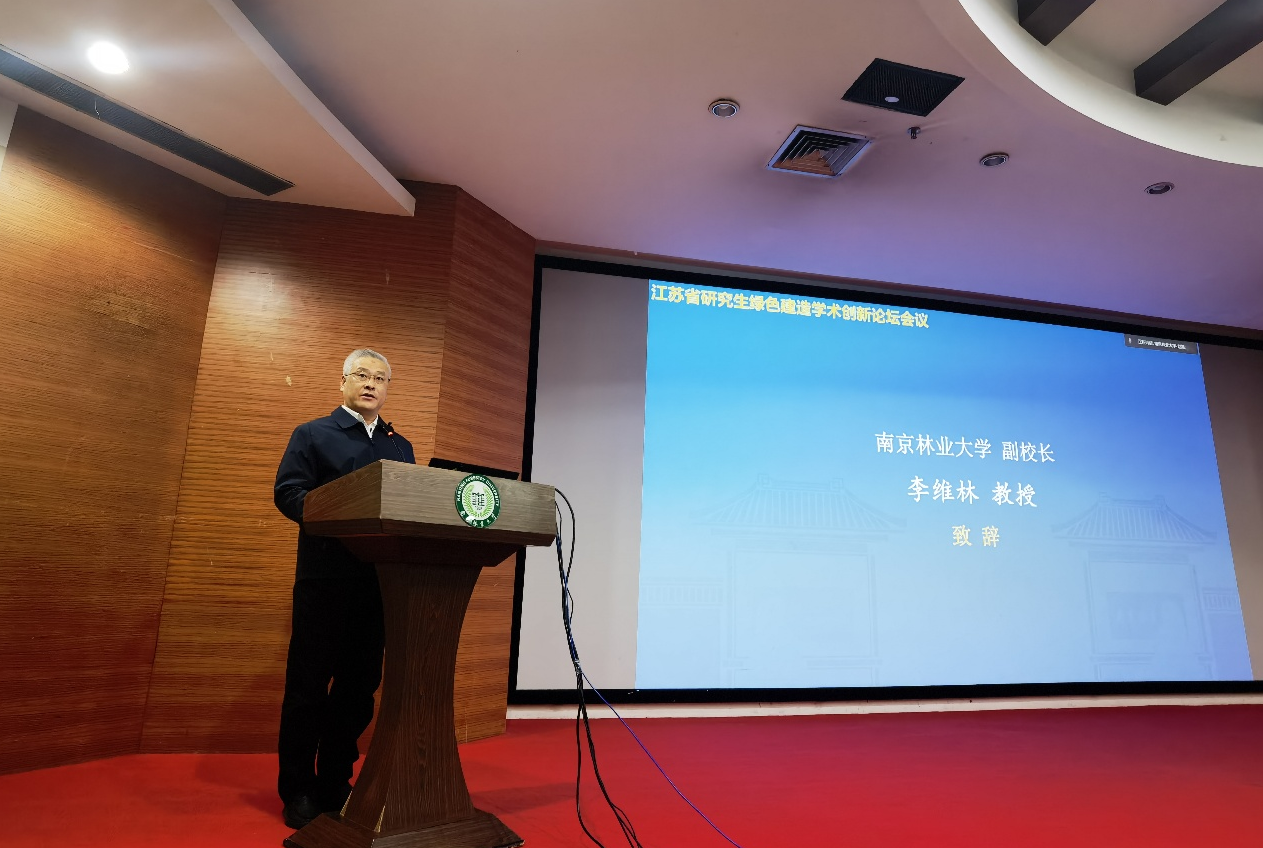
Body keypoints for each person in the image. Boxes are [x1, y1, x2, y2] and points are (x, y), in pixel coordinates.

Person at [273, 348, 416, 830]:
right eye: (362, 375)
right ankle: (298, 788)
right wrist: (340, 517)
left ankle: (335, 780)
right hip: (325, 579)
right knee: (308, 686)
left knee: (358, 690)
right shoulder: (313, 434)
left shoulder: (400, 447)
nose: (371, 384)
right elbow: (289, 493)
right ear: (343, 382)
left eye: (380, 378)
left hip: (378, 584)